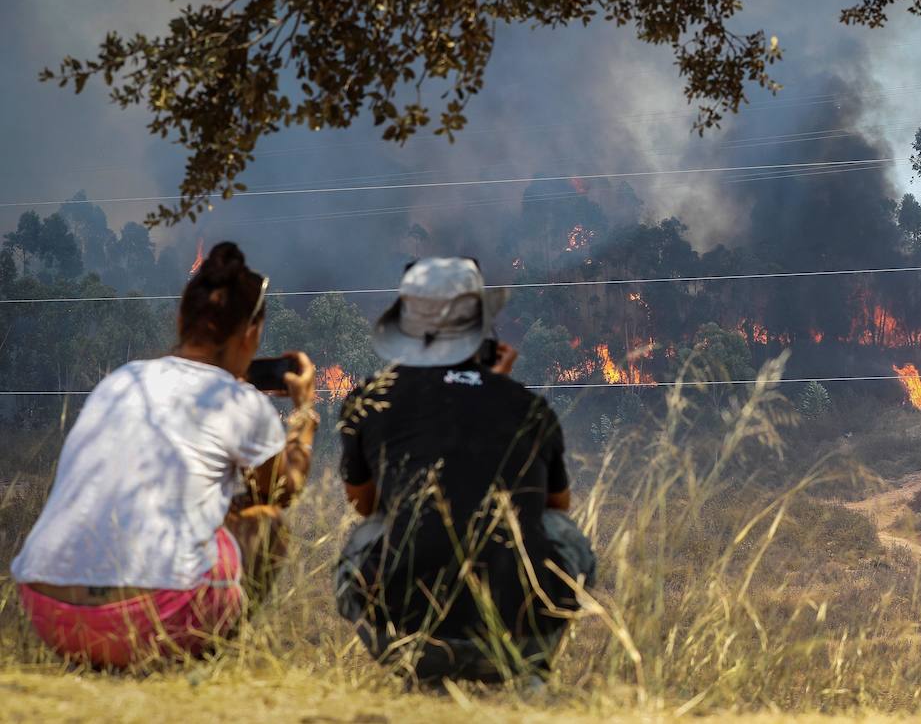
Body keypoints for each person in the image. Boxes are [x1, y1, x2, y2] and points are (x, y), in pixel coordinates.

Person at [9, 242, 318, 668]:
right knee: (268, 523)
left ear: (179, 320)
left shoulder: (122, 380)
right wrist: (304, 414)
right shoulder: (240, 402)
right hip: (150, 620)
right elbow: (283, 490)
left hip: (47, 609)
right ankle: (197, 667)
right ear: (251, 335)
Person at [335, 256, 595, 685]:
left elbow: (364, 504)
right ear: (480, 329)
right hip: (516, 640)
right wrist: (494, 388)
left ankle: (419, 672)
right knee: (560, 530)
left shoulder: (370, 402)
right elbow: (558, 504)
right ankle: (530, 674)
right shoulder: (527, 407)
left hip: (407, 639)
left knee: (369, 533)